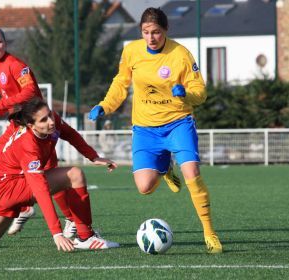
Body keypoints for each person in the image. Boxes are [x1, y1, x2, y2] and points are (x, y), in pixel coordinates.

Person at [88, 7, 222, 254]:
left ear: (166, 31)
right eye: (146, 32)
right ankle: (164, 168)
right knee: (144, 188)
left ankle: (209, 232)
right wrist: (104, 105)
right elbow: (121, 83)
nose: (151, 37)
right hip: (146, 129)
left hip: (178, 123)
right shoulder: (131, 51)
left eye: (156, 32)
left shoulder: (180, 55)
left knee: (192, 172)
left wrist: (187, 93)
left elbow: (200, 92)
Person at [0, 98, 119, 250]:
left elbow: (71, 134)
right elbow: (40, 188)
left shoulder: (53, 122)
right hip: (8, 188)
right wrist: (56, 232)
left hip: (9, 185)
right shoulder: (28, 144)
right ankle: (86, 237)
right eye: (43, 120)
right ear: (31, 125)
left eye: (50, 115)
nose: (51, 121)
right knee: (74, 174)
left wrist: (93, 156)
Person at [0, 26, 86, 237]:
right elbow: (14, 98)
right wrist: (1, 111)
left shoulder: (15, 64)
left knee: (47, 174)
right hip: (16, 125)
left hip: (35, 125)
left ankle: (72, 220)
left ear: (5, 43)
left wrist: (0, 105)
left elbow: (29, 92)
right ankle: (26, 207)